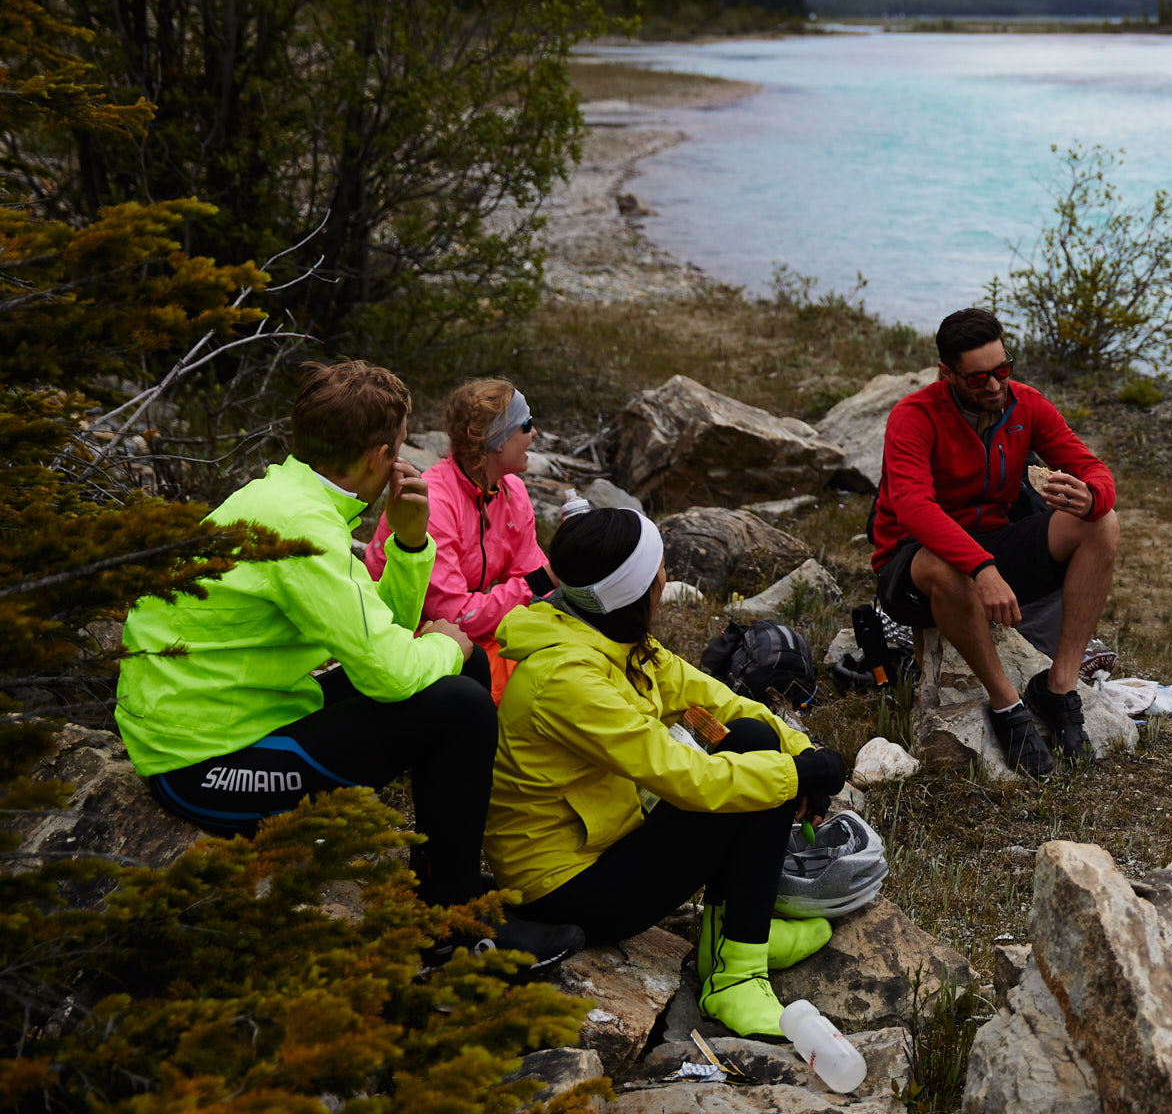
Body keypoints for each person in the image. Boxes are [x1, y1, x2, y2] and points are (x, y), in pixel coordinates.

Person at [115, 360, 577, 961]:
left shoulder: (290, 498)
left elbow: (373, 630)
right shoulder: (304, 531)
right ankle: (456, 927)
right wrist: (449, 641)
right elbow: (387, 671)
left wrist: (411, 545)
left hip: (238, 720)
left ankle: (445, 885)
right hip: (201, 767)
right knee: (459, 700)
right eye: (400, 448)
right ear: (376, 457)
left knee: (453, 679)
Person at [487, 503, 850, 1040]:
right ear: (635, 594)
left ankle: (731, 936)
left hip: (606, 839)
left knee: (754, 739)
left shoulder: (611, 636)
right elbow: (688, 778)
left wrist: (804, 750)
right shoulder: (565, 678)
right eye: (659, 573)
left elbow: (716, 700)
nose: (665, 579)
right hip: (560, 890)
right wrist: (799, 775)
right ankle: (734, 980)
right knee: (755, 782)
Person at [870, 307, 1120, 779]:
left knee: (1101, 524)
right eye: (978, 378)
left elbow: (1091, 466)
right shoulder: (914, 416)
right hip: (913, 562)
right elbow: (913, 507)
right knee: (947, 567)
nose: (994, 386)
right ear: (946, 373)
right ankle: (1006, 705)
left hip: (991, 545)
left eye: (1003, 370)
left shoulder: (1024, 404)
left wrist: (1093, 495)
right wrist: (982, 568)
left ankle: (1059, 688)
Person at [365, 377, 553, 642]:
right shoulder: (437, 504)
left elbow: (531, 581)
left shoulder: (512, 492)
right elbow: (453, 616)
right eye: (527, 425)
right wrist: (543, 581)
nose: (534, 433)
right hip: (396, 633)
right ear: (498, 440)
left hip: (454, 631)